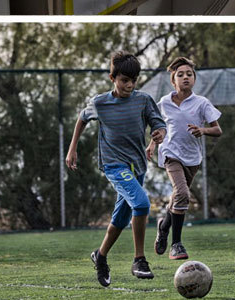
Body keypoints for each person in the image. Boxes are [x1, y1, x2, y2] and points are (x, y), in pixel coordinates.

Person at [65, 51, 166, 287]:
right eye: (124, 80)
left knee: (120, 217)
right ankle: (139, 260)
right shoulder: (101, 103)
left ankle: (100, 256)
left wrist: (159, 133)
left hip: (137, 165)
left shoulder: (143, 100)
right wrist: (72, 149)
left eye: (133, 80)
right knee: (141, 204)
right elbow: (81, 119)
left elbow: (158, 123)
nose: (129, 85)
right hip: (113, 164)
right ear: (113, 78)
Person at [149, 57, 222, 261]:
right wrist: (153, 143)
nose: (185, 77)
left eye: (189, 74)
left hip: (193, 159)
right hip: (171, 154)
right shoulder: (164, 102)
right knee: (182, 193)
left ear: (194, 79)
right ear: (173, 81)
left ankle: (163, 227)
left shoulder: (201, 103)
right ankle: (176, 244)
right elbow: (156, 125)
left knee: (177, 199)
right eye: (180, 75)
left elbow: (218, 129)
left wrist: (202, 130)